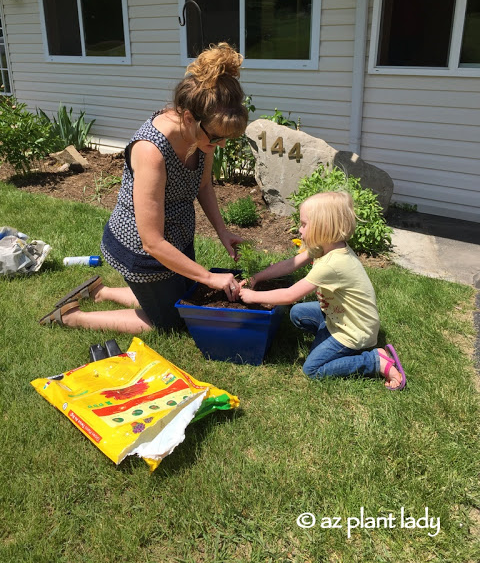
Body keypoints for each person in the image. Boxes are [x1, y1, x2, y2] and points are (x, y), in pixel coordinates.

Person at [40, 42, 248, 334]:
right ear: (188, 118)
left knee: (184, 298)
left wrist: (222, 231)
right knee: (170, 323)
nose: (221, 145)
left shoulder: (203, 131)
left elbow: (203, 186)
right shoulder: (151, 150)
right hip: (142, 251)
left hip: (177, 237)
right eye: (217, 138)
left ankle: (102, 292)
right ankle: (73, 316)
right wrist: (209, 278)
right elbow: (151, 241)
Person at [239, 191, 406, 390]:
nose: (299, 230)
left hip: (355, 331)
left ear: (323, 228)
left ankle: (375, 360)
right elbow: (289, 265)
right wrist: (256, 278)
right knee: (297, 314)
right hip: (341, 316)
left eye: (303, 224)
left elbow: (290, 294)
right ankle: (330, 338)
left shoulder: (333, 263)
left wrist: (253, 296)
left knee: (313, 369)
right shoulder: (324, 247)